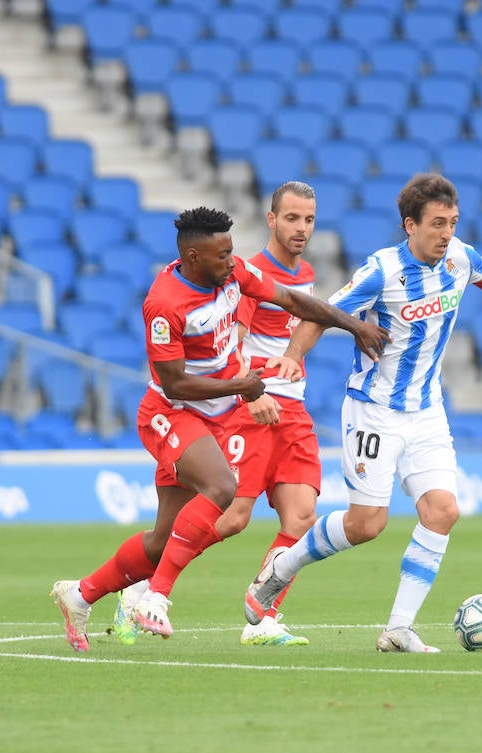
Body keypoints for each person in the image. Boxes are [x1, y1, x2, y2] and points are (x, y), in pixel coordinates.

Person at [243, 173, 482, 653]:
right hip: (374, 411)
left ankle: (399, 628)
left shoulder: (461, 257)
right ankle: (283, 566)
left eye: (453, 222)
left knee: (443, 511)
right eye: (437, 223)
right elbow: (321, 312)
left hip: (426, 412)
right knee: (366, 525)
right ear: (410, 225)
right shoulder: (381, 271)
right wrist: (294, 355)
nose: (447, 233)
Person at [50, 206, 388, 651]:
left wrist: (353, 325)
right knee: (223, 488)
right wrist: (242, 387)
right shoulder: (165, 304)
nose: (231, 261)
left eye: (231, 251)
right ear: (193, 257)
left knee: (162, 544)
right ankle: (156, 598)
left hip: (218, 414)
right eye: (222, 255)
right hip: (171, 414)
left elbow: (293, 302)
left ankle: (80, 594)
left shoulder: (233, 275)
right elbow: (174, 383)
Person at [111, 182, 328, 648]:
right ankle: (145, 588)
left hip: (292, 408)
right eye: (291, 218)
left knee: (301, 517)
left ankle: (263, 614)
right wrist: (251, 394)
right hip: (254, 405)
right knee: (231, 517)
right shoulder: (243, 273)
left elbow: (303, 323)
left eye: (309, 219)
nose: (301, 228)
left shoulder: (305, 274)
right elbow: (232, 343)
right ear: (271, 220)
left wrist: (299, 353)